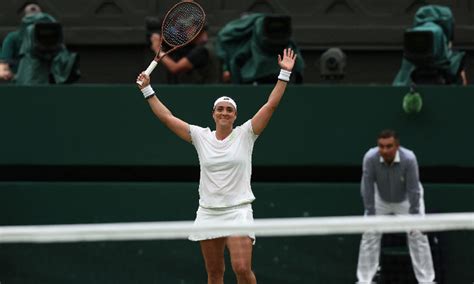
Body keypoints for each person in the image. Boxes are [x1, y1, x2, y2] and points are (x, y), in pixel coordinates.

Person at [136, 48, 297, 284]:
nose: (224, 112)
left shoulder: (247, 134)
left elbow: (270, 105)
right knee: (214, 274)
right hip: (209, 212)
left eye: (229, 110)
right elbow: (167, 118)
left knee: (241, 269)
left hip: (238, 211)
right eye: (220, 109)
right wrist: (147, 89)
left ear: (235, 116)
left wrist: (284, 74)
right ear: (213, 114)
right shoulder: (201, 137)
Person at [356, 129, 436, 284]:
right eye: (381, 146)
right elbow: (367, 188)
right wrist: (370, 214)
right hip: (380, 199)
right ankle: (364, 280)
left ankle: (427, 280)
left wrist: (414, 219)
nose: (385, 150)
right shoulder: (370, 158)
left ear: (397, 146)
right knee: (369, 233)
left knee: (418, 234)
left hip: (407, 199)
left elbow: (413, 190)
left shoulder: (409, 159)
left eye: (389, 146)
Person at [1, 2, 79, 85]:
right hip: (23, 86)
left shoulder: (54, 37)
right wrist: (16, 77)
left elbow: (63, 64)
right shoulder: (13, 38)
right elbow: (2, 69)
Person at [149, 25, 221, 84]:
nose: (185, 32)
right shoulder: (211, 45)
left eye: (188, 28)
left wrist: (157, 50)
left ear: (195, 28)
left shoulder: (201, 51)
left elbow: (175, 68)